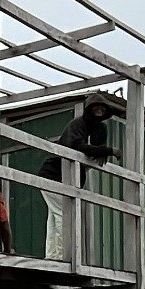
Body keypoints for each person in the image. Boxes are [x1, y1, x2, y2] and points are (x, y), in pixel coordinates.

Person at [36, 99, 119, 259]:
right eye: (96, 108)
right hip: (53, 175)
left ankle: (52, 256)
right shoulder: (78, 124)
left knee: (54, 217)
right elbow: (75, 146)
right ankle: (62, 258)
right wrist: (107, 150)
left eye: (102, 108)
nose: (99, 111)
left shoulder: (99, 128)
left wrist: (101, 151)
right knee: (64, 214)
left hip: (62, 179)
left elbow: (94, 150)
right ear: (90, 109)